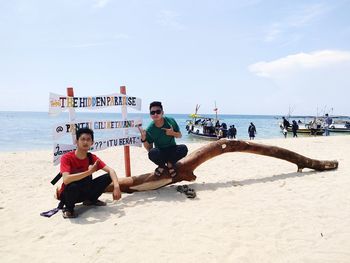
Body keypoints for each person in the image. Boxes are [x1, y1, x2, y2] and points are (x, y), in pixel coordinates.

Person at [59, 128, 121, 218]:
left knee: (108, 177)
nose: (85, 142)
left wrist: (116, 187)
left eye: (88, 140)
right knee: (72, 186)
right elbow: (66, 180)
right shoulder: (67, 158)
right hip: (70, 194)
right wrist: (89, 172)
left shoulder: (91, 157)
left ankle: (91, 200)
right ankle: (69, 209)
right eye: (83, 139)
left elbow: (111, 171)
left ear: (92, 143)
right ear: (76, 141)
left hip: (85, 191)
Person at [138, 101, 188, 177]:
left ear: (162, 112)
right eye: (152, 112)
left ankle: (170, 164)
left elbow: (180, 135)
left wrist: (173, 133)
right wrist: (144, 139)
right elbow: (149, 149)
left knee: (184, 148)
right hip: (161, 152)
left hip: (172, 149)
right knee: (152, 153)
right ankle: (162, 166)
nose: (155, 114)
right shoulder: (150, 129)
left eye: (158, 112)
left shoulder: (170, 121)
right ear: (150, 115)